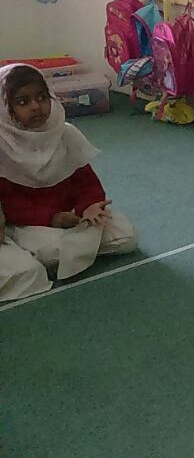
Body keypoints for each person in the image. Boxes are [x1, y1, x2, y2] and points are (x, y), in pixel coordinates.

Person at [0, 65, 137, 300]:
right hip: (30, 223)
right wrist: (52, 218)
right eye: (23, 102)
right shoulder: (3, 146)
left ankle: (68, 252)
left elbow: (86, 181)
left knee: (126, 235)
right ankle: (55, 252)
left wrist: (90, 206)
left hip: (73, 216)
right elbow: (10, 204)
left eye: (41, 98)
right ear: (5, 108)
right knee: (54, 248)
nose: (36, 107)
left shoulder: (65, 133)